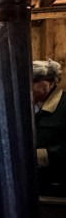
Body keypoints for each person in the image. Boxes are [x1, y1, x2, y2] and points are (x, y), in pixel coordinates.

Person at [33, 59, 66, 196]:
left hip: (57, 185)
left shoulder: (63, 106)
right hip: (33, 183)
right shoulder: (26, 104)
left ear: (51, 83)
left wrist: (38, 156)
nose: (30, 85)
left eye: (35, 81)